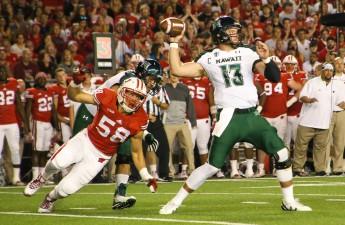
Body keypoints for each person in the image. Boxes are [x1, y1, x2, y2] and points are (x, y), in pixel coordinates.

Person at [159, 16, 311, 214]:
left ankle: (289, 201)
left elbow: (273, 77)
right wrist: (173, 42)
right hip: (228, 117)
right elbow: (177, 69)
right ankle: (175, 202)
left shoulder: (248, 52)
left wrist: (266, 57)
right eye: (231, 30)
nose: (236, 34)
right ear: (220, 34)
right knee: (212, 166)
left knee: (282, 153)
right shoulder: (208, 57)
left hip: (252, 116)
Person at [23, 75, 157, 213]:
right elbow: (76, 96)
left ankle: (50, 199)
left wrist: (146, 175)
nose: (134, 99)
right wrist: (75, 82)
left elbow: (136, 152)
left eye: (138, 96)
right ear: (123, 90)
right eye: (132, 94)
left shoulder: (141, 119)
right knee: (57, 163)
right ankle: (41, 178)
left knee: (66, 189)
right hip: (85, 140)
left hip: (99, 157)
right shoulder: (107, 96)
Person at [95, 59, 163, 210]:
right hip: (93, 113)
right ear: (143, 74)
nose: (153, 83)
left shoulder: (139, 87)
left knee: (125, 153)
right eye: (152, 79)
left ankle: (119, 196)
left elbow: (130, 116)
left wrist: (144, 133)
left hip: (109, 118)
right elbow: (111, 102)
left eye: (155, 80)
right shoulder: (129, 80)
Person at [0, 65, 29, 185]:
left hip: (12, 123)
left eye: (3, 71)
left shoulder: (13, 83)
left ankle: (16, 178)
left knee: (15, 150)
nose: (1, 73)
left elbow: (19, 104)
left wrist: (26, 123)